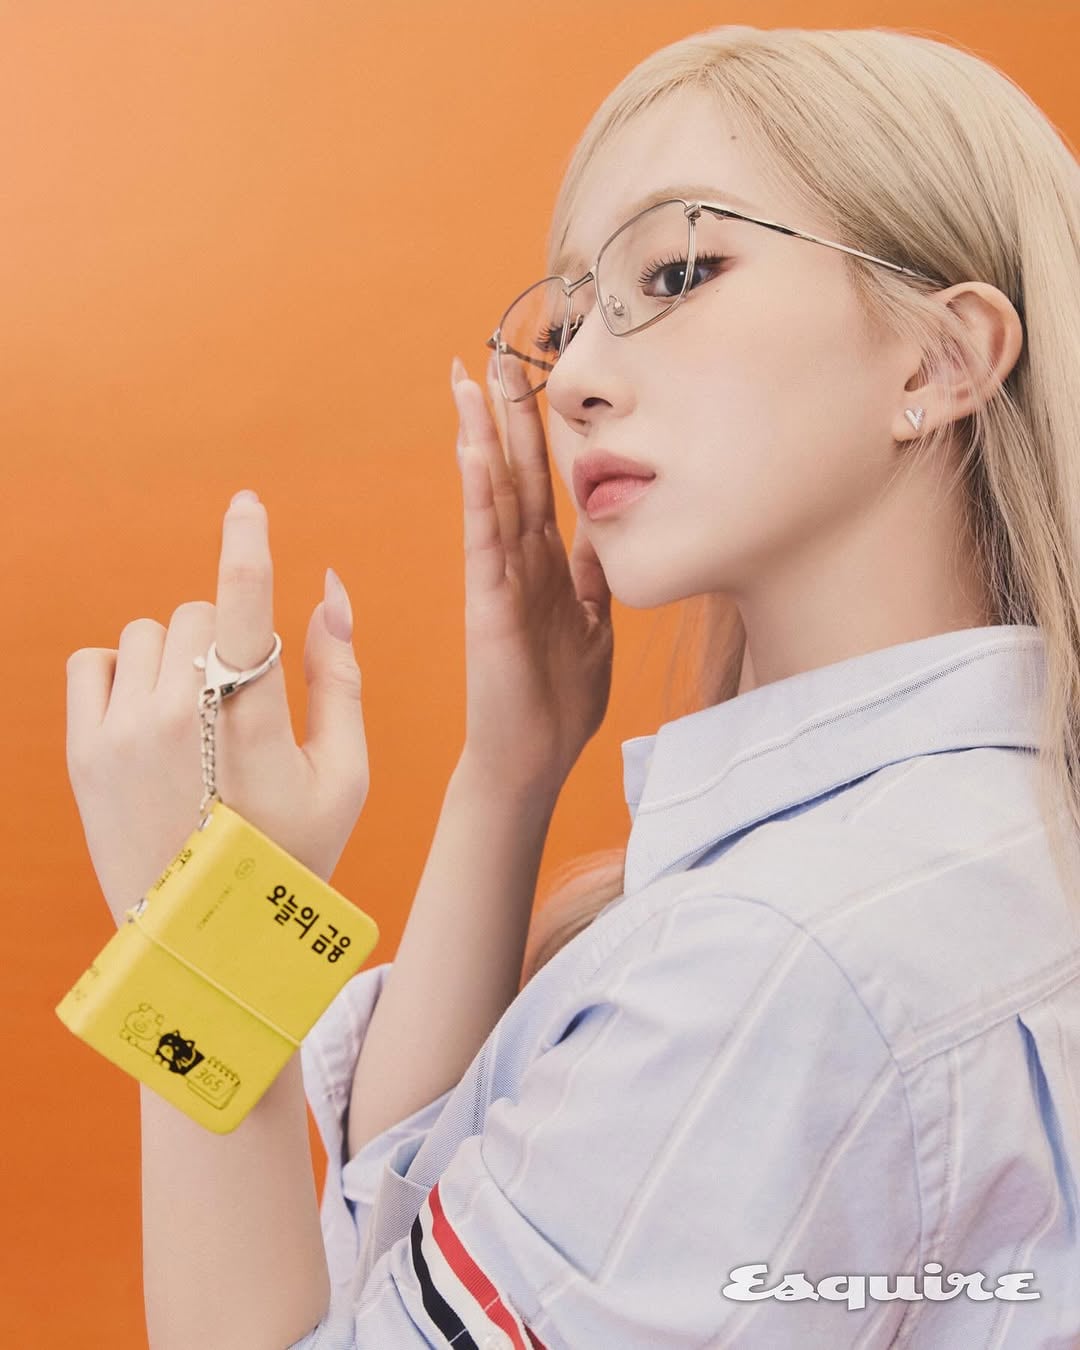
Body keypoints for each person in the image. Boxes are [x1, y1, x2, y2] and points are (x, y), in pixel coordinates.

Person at [63, 21, 1080, 1350]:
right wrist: (511, 768)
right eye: (571, 318)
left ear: (939, 360)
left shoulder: (776, 962)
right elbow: (407, 1228)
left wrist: (203, 940)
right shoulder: (978, 846)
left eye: (678, 271)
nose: (581, 378)